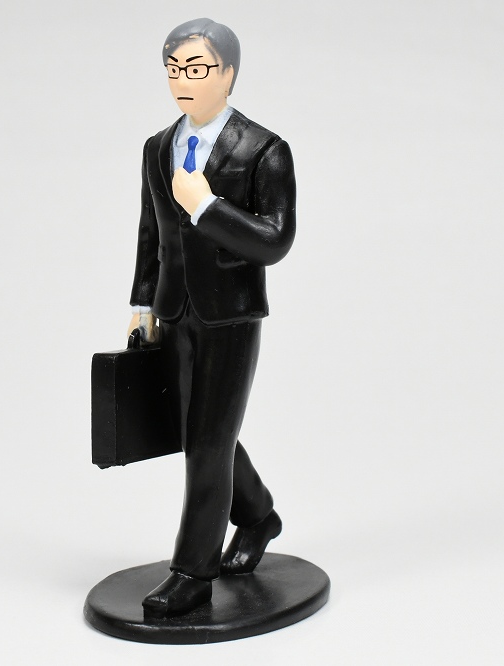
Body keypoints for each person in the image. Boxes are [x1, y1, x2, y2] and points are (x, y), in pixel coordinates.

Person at [128, 17, 297, 618]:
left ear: (228, 73)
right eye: (174, 69)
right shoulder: (157, 147)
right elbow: (151, 233)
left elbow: (276, 240)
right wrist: (142, 303)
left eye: (197, 69)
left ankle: (192, 572)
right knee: (200, 434)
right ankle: (259, 516)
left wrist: (208, 207)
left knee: (206, 442)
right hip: (174, 309)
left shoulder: (263, 150)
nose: (183, 81)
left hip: (230, 316)